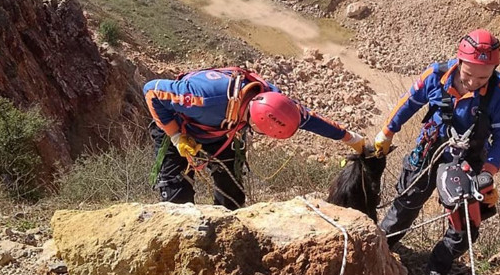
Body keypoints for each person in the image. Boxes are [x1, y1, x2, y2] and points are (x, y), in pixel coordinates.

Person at [374, 29, 500, 275]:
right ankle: (377, 252)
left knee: (466, 223)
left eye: (483, 77)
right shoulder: (436, 76)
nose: (473, 82)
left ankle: (438, 266)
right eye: (468, 74)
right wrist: (387, 131)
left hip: (470, 157)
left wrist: (488, 171)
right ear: (458, 61)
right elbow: (408, 103)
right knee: (406, 205)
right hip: (430, 149)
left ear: (494, 69)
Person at [144, 66, 365, 209]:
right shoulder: (201, 97)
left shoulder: (274, 102)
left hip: (224, 132)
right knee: (176, 198)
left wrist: (351, 138)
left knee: (231, 197)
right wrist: (175, 136)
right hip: (180, 127)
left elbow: (311, 120)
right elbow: (152, 91)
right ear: (256, 123)